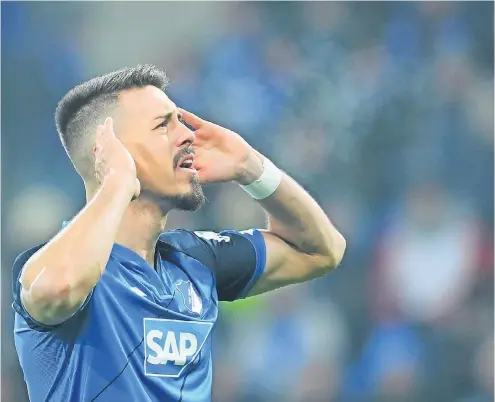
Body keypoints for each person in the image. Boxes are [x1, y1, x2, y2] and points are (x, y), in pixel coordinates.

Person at [12, 65, 346, 402]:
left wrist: (252, 167)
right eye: (163, 126)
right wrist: (117, 183)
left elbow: (322, 251)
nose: (187, 135)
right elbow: (60, 289)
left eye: (180, 121)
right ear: (110, 152)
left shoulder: (196, 261)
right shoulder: (49, 266)